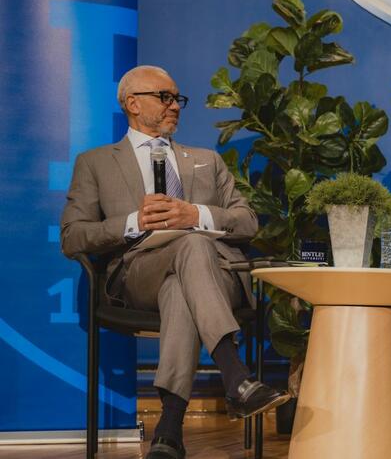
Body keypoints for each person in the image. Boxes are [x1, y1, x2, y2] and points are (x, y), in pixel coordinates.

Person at [60, 65, 289, 459]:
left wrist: (195, 215)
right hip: (137, 275)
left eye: (177, 99)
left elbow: (248, 221)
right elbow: (73, 236)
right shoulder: (95, 162)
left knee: (187, 265)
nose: (175, 106)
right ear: (133, 103)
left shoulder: (206, 159)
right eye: (164, 97)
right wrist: (134, 221)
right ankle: (234, 375)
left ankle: (169, 429)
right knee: (188, 253)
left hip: (215, 274)